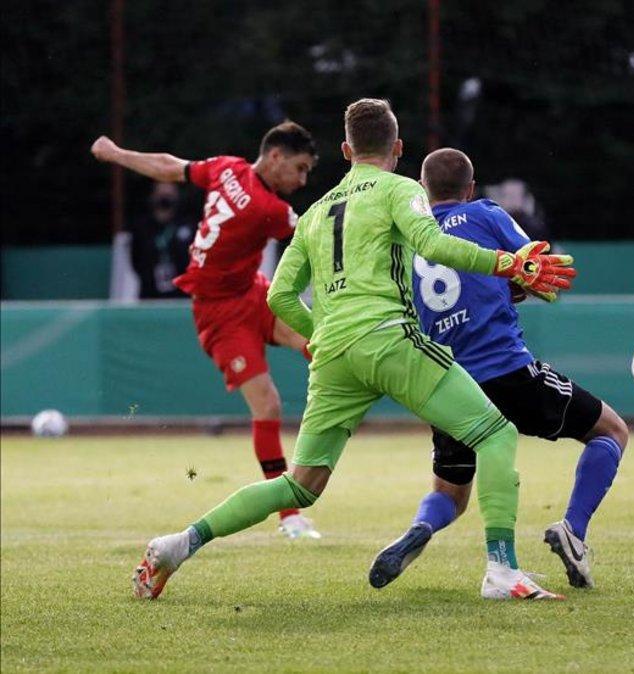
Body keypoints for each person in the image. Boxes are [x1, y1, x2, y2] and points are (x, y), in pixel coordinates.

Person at [128, 98, 576, 602]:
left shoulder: (316, 212)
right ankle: (501, 570)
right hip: (388, 337)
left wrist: (318, 332)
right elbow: (434, 246)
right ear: (399, 149)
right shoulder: (400, 188)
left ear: (345, 150)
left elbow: (278, 294)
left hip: (336, 355)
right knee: (494, 433)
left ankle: (179, 543)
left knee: (300, 486)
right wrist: (507, 264)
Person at [368, 148, 629, 591]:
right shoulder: (486, 213)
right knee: (610, 431)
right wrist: (519, 281)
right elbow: (530, 261)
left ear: (422, 190)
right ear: (470, 188)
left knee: (450, 492)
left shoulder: (411, 238)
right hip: (506, 370)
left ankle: (420, 529)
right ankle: (573, 532)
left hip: (448, 383)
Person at [91, 122, 322, 539]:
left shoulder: (227, 167)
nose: (303, 180)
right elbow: (320, 238)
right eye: (300, 168)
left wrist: (117, 153)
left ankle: (343, 404)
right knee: (268, 406)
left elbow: (168, 166)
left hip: (253, 291)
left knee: (317, 344)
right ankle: (289, 516)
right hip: (219, 313)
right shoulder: (268, 210)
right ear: (275, 157)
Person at [127, 182, 193, 299]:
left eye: (169, 196)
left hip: (181, 295)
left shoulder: (187, 226)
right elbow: (136, 260)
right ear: (153, 197)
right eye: (161, 195)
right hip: (150, 294)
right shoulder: (142, 228)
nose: (165, 200)